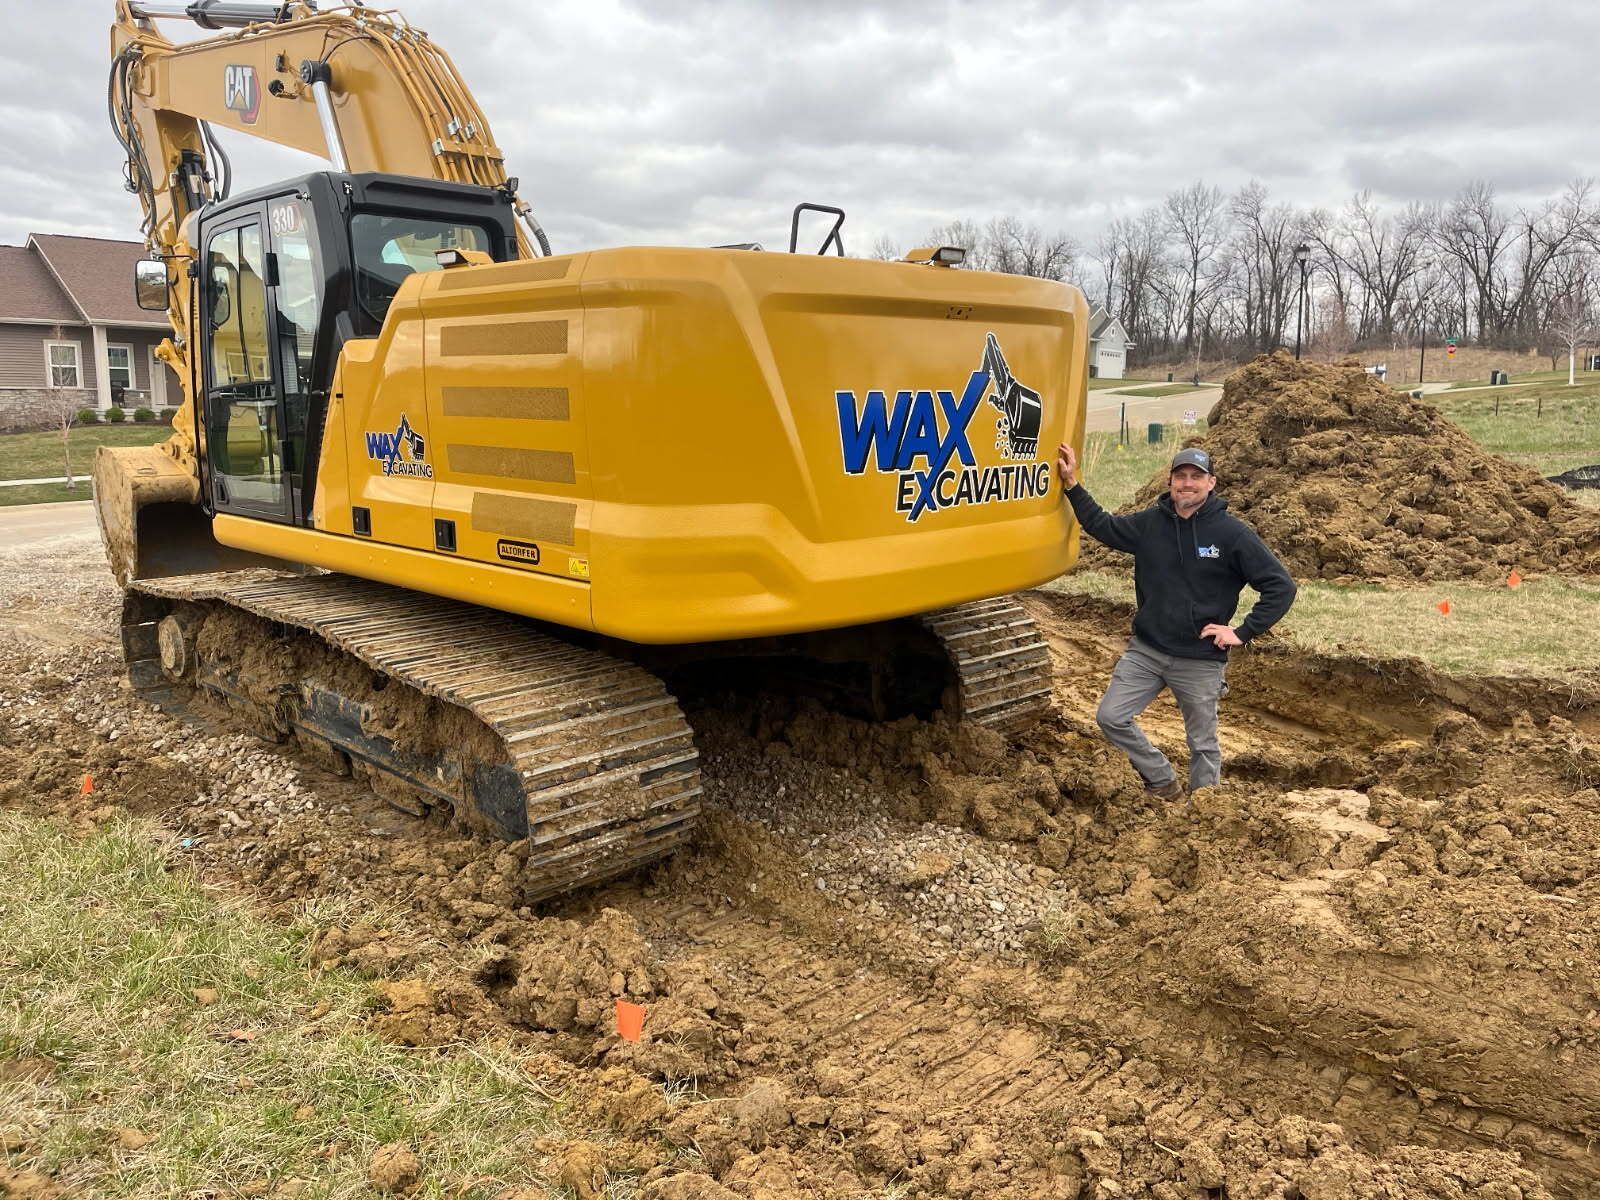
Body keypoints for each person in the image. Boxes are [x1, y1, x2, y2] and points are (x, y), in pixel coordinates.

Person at [1055, 443, 1296, 799]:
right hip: (1147, 651)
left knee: (1202, 743)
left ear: (1211, 482)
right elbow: (1101, 525)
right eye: (1180, 476)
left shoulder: (1232, 534)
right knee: (1111, 717)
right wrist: (1072, 483)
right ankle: (1162, 780)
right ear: (1170, 481)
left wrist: (1242, 632)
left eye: (1196, 477)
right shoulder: (1150, 524)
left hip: (1200, 659)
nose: (1187, 483)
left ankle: (1203, 809)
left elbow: (1281, 586)